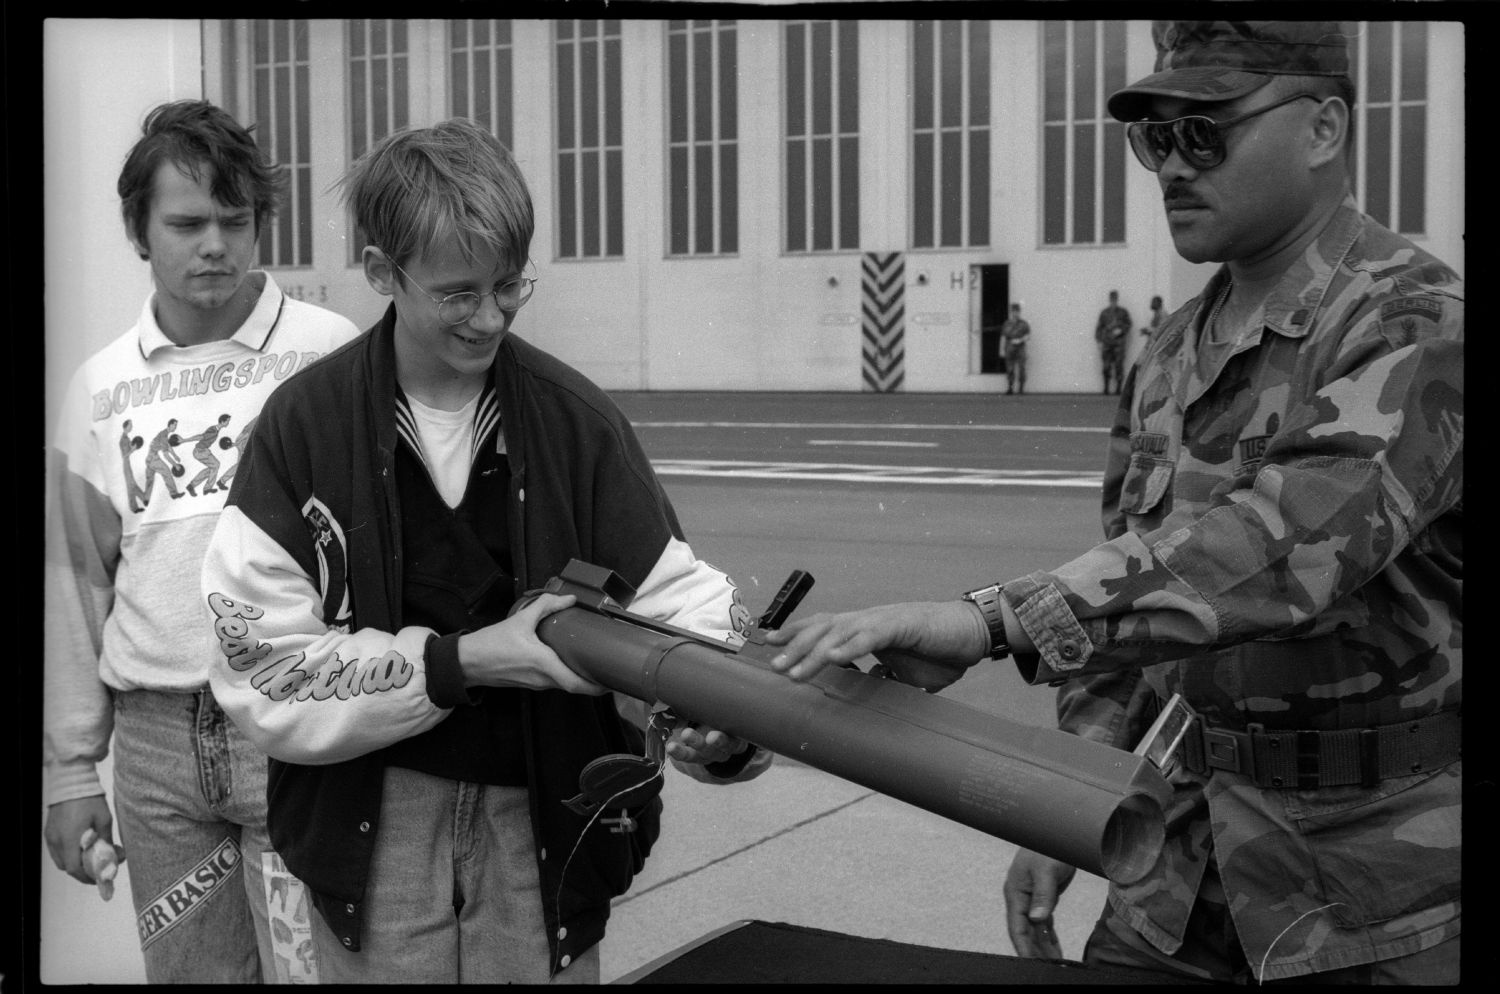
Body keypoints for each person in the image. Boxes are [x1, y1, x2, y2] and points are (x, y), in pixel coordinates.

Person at [764, 20, 1460, 985]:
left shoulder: (1414, 321)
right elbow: (1135, 605)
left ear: (1324, 127)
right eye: (1154, 137)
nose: (1171, 165)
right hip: (1175, 873)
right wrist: (1073, 804)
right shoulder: (1173, 351)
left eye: (1205, 131)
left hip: (1369, 889)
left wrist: (989, 623)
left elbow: (1286, 545)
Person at [200, 117, 772, 985]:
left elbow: (683, 604)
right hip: (371, 820)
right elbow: (260, 665)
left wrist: (733, 718)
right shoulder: (303, 427)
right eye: (459, 294)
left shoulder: (576, 423)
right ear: (383, 273)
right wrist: (459, 664)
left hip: (540, 823)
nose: (491, 316)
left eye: (510, 287)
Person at [44, 99, 362, 983]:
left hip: (297, 726)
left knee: (321, 974)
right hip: (155, 755)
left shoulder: (329, 357)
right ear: (138, 230)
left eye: (236, 219)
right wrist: (70, 774)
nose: (214, 244)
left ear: (263, 222)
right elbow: (75, 593)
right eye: (186, 223)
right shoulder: (99, 391)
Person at [1094, 290, 1132, 394]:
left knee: (1118, 366)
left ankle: (1118, 389)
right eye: (1111, 299)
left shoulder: (1123, 312)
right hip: (1107, 343)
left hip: (1118, 344)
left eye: (1114, 299)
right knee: (1106, 366)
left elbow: (1128, 324)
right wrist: (1099, 341)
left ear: (1117, 299)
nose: (1113, 301)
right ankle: (1106, 388)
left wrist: (1121, 330)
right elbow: (1099, 327)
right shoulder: (1104, 313)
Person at [998, 302, 1031, 395]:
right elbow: (1003, 337)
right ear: (1011, 312)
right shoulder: (1007, 323)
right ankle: (1010, 388)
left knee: (1022, 368)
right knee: (1010, 368)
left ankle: (1021, 389)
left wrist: (1020, 340)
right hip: (1010, 347)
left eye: (1017, 311)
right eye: (1013, 311)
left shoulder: (1024, 324)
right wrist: (1001, 350)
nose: (1015, 313)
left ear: (1019, 312)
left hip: (1020, 347)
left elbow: (1028, 336)